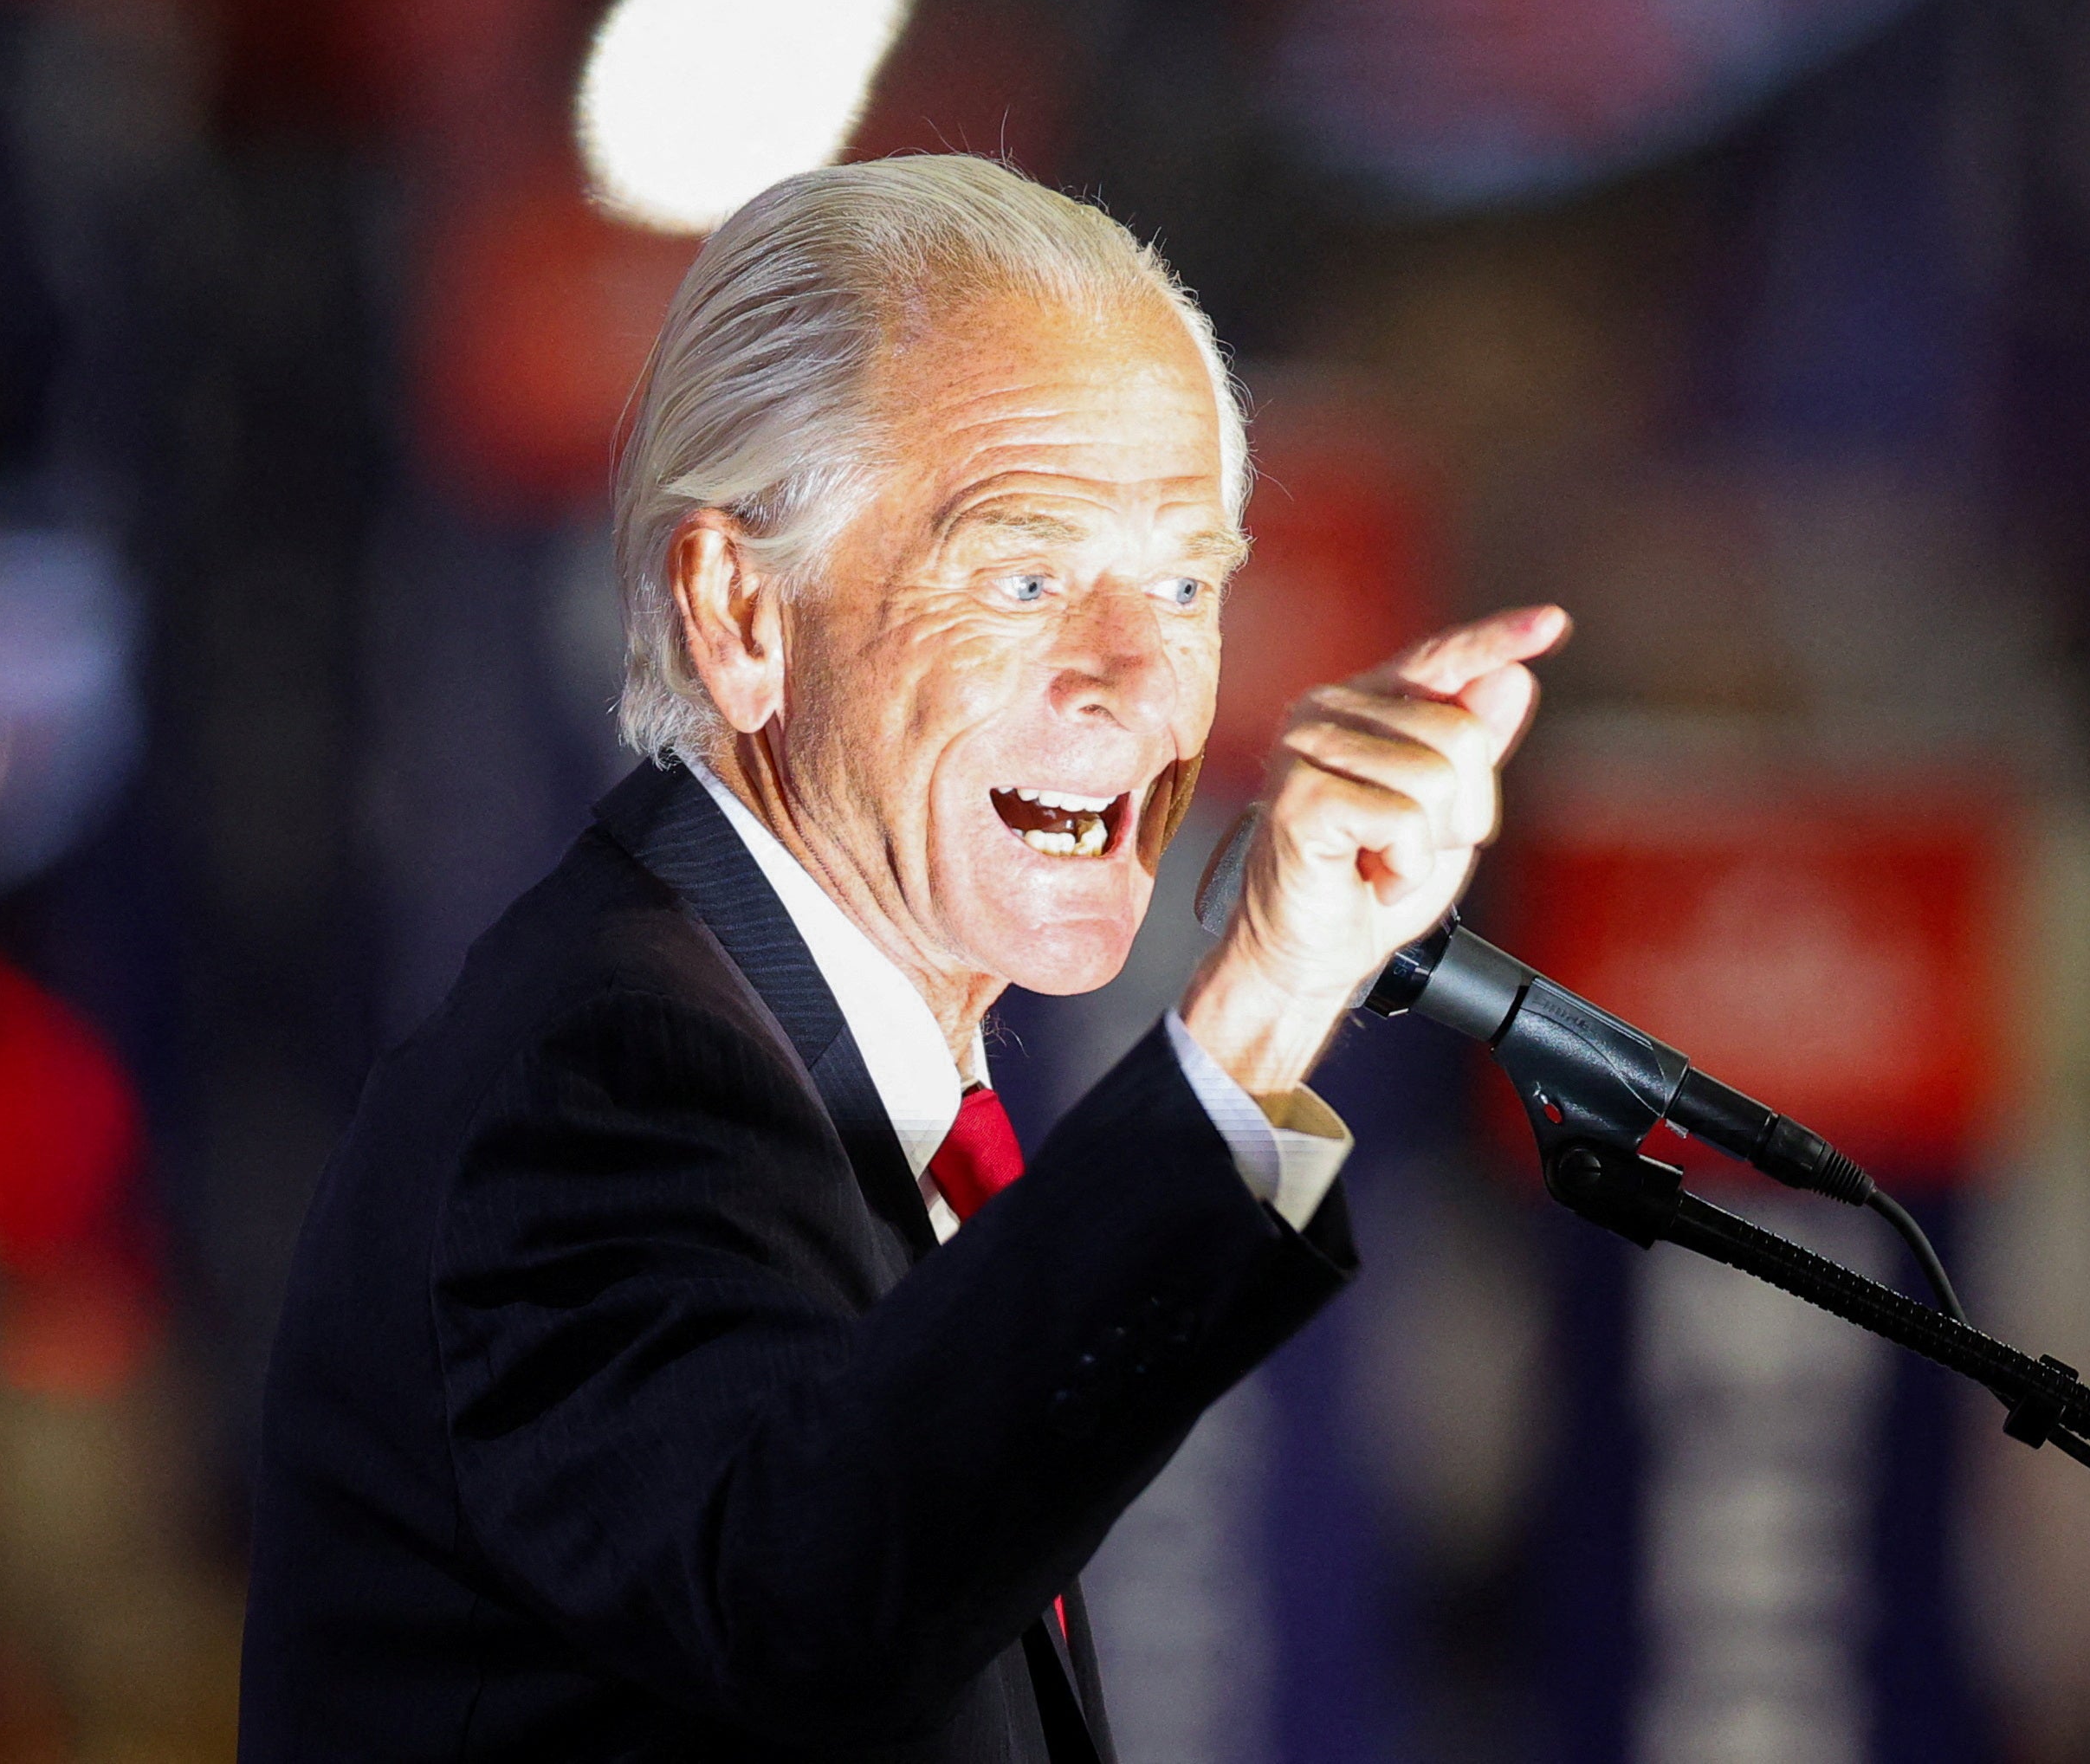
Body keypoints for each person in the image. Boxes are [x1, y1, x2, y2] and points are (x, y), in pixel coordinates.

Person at [237, 155, 1567, 1762]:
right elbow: (814, 1593)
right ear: (740, 610)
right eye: (1020, 576)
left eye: (1185, 580)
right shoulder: (612, 1077)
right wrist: (1259, 1008)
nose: (1135, 678)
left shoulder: (826, 1071)